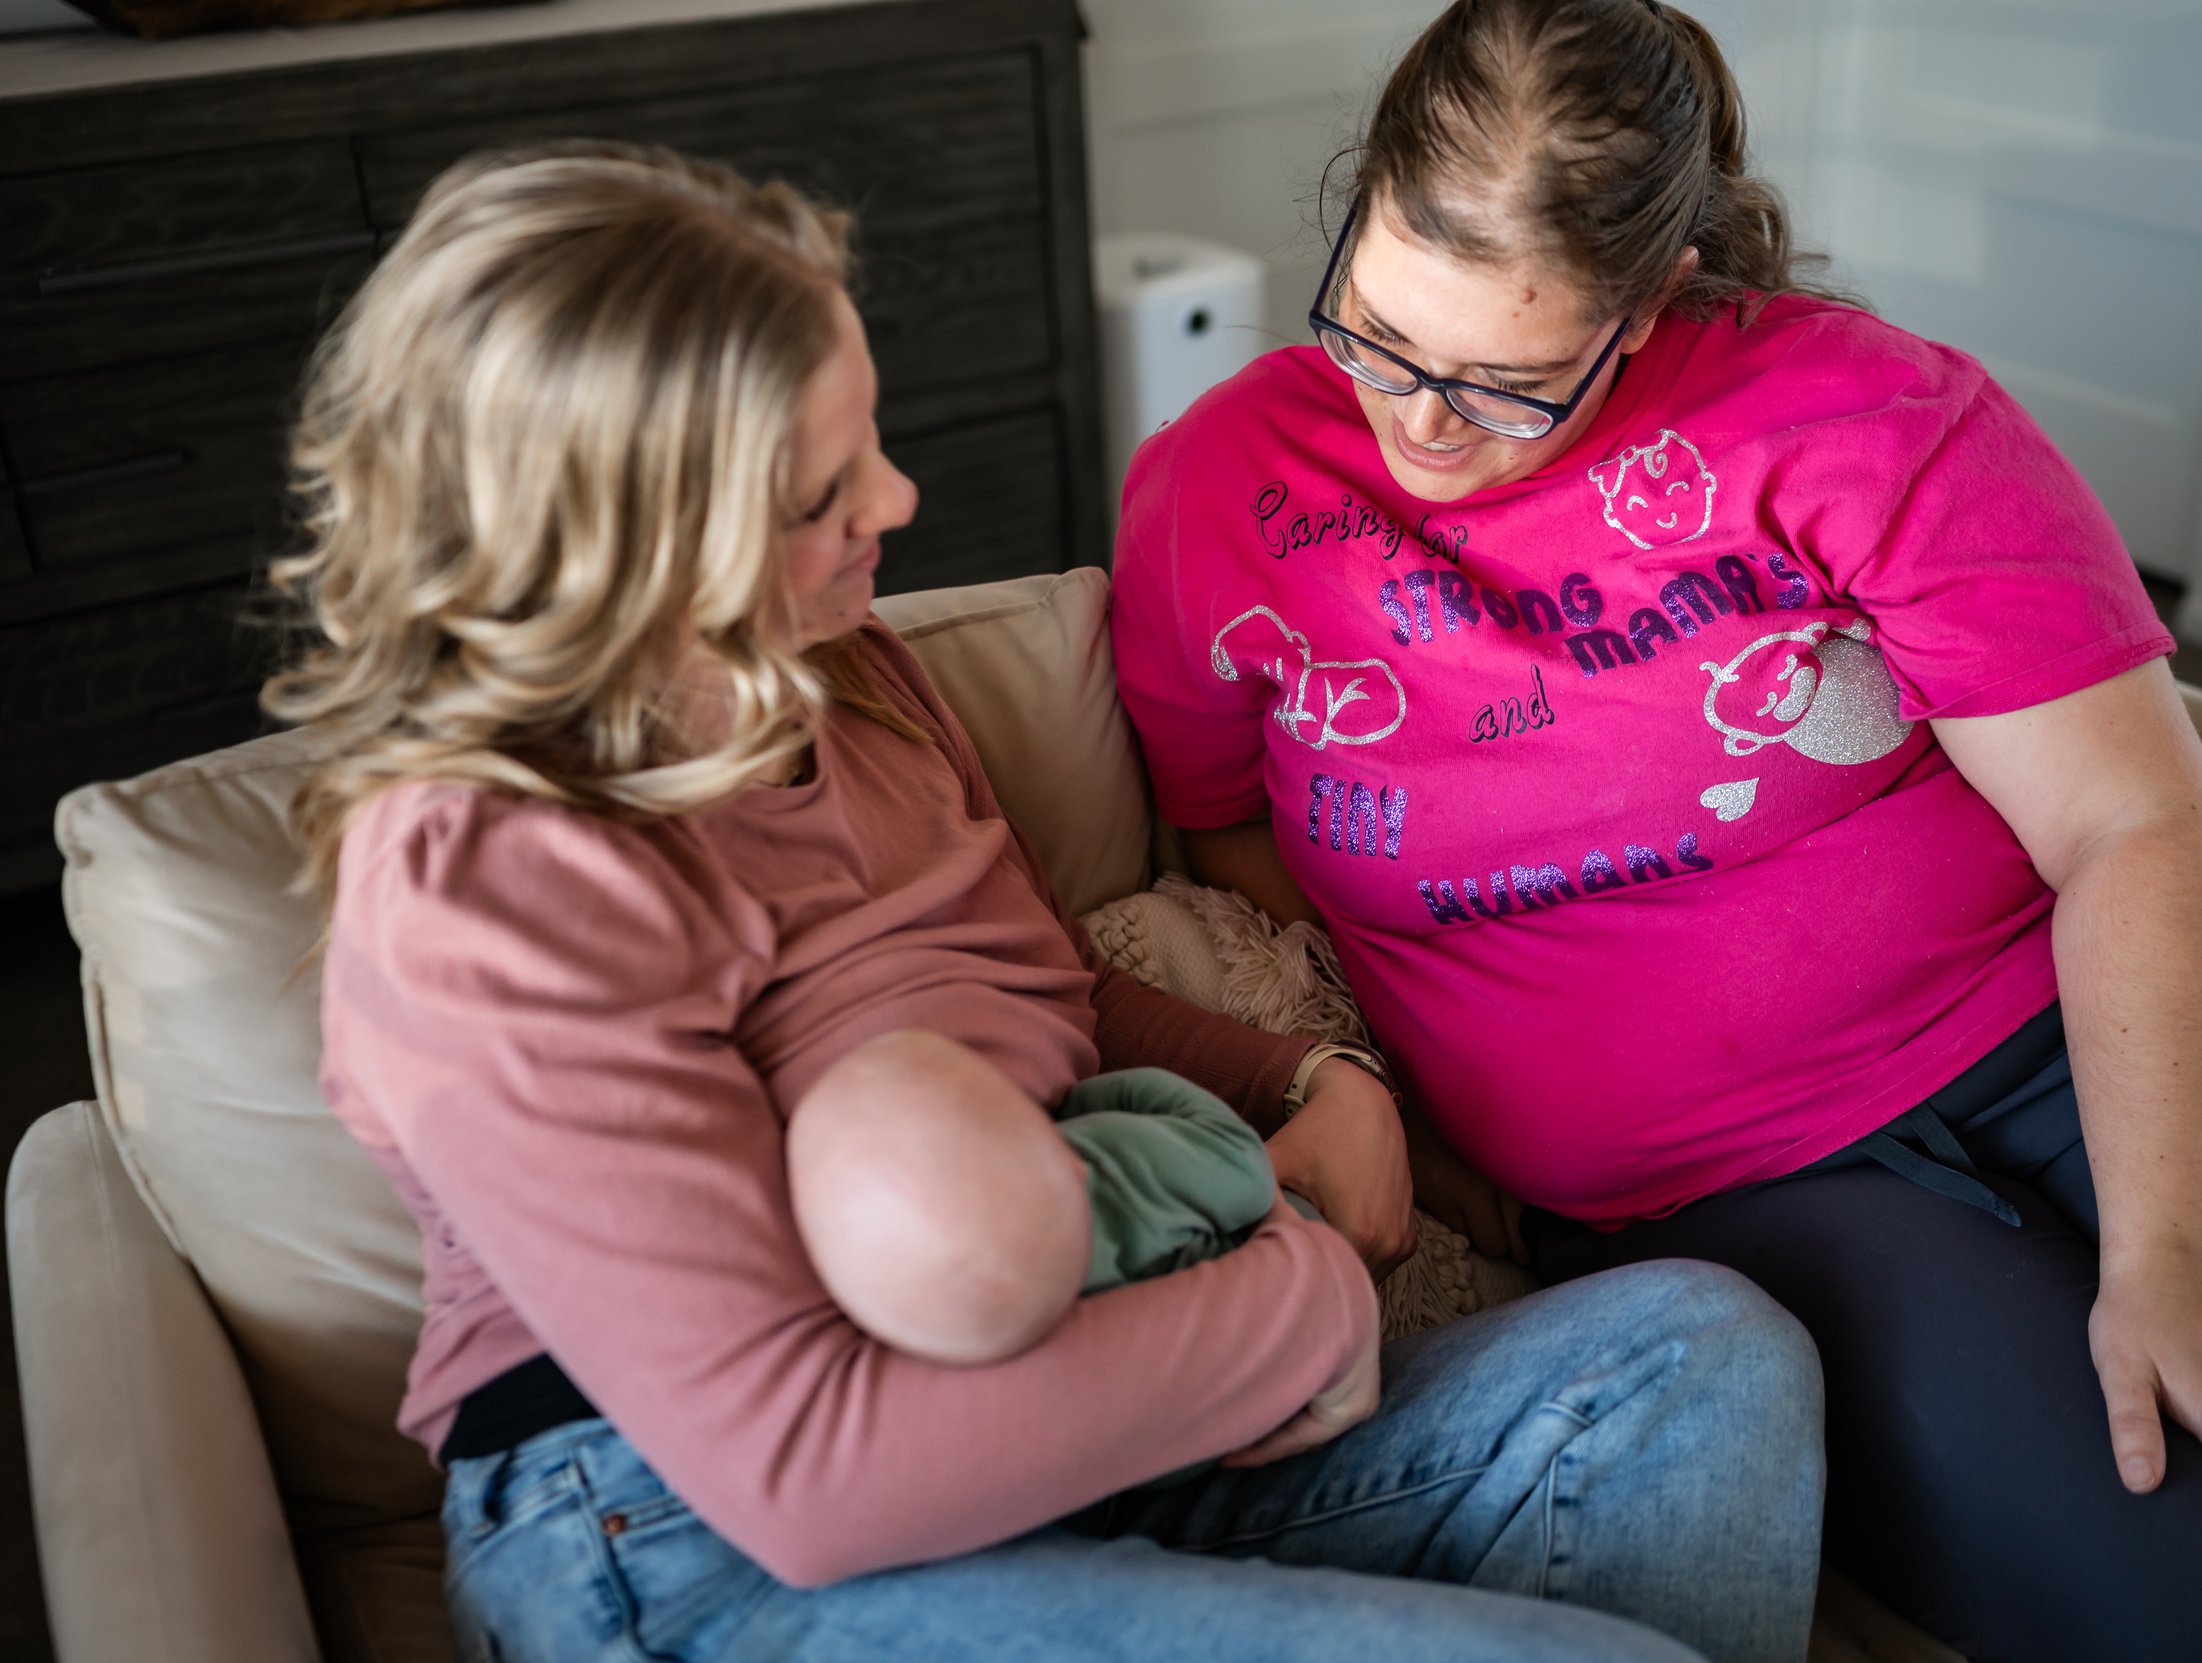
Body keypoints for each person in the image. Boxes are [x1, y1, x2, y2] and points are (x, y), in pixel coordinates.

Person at [268, 141, 1827, 1663]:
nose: (898, 492)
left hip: (1080, 1370)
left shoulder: (852, 679)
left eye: (870, 432)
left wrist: (1308, 1076)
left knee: (1703, 1356)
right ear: (629, 542)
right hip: (674, 1527)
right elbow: (811, 1476)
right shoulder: (484, 876)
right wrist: (1295, 1292)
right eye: (824, 488)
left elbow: (1045, 992)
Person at [1107, 3, 2202, 1660]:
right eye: (1376, 334)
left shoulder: (1864, 418)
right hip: (1731, 1182)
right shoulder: (1217, 493)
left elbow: (2133, 821)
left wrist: (2166, 1256)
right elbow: (1228, 838)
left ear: (1651, 301)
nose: (1417, 423)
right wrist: (1410, 1075)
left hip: (2080, 1011)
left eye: (1506, 384)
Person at [787, 1040, 1277, 1366]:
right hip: (1298, 1299)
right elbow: (1249, 1170)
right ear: (1073, 1165)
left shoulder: (1022, 1358)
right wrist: (1094, 1102)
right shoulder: (1122, 1163)